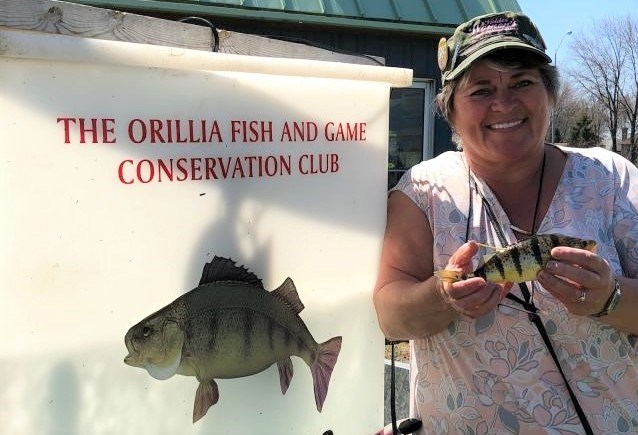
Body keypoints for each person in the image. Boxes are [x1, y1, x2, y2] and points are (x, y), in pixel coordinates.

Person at [374, 11, 638, 435]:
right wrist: (443, 297)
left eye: (522, 83)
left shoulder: (612, 178)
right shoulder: (424, 191)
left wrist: (610, 298)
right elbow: (390, 317)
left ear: (548, 95)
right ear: (450, 111)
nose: (504, 103)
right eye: (481, 90)